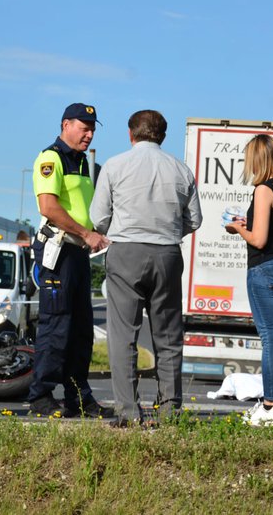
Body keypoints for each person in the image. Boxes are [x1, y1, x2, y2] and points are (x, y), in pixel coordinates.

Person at [89, 110, 203, 426]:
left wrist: (121, 231)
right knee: (167, 334)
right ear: (163, 136)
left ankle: (128, 410)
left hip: (125, 251)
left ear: (131, 134)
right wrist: (166, 231)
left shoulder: (114, 166)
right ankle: (170, 409)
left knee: (123, 334)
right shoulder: (181, 169)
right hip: (167, 253)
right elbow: (194, 219)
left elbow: (98, 217)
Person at [27, 103, 112, 418]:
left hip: (77, 251)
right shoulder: (51, 158)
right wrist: (85, 233)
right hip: (59, 249)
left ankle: (79, 396)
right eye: (84, 127)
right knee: (57, 324)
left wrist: (95, 233)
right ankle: (41, 396)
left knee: (80, 329)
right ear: (66, 125)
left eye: (92, 129)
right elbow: (48, 207)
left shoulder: (81, 162)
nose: (89, 134)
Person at [225, 134, 273, 427]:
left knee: (271, 338)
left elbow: (258, 239)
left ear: (256, 159)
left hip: (265, 269)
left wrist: (237, 229)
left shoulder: (263, 190)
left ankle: (269, 407)